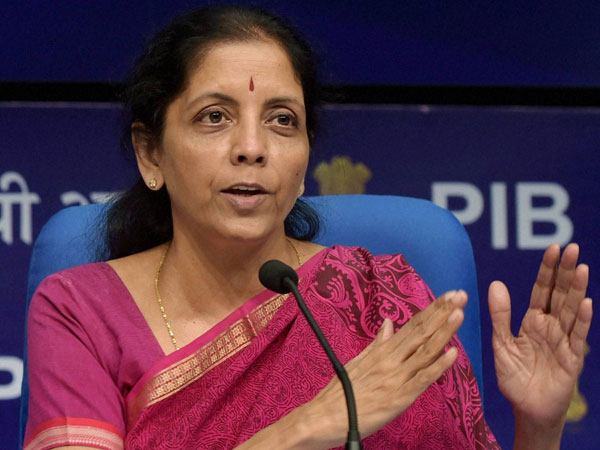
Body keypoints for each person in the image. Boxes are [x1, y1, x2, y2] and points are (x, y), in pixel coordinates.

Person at [24, 5, 592, 450]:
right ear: (151, 154)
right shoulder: (81, 311)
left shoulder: (379, 300)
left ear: (304, 162)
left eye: (282, 120)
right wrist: (309, 426)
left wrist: (539, 427)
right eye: (214, 117)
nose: (252, 148)